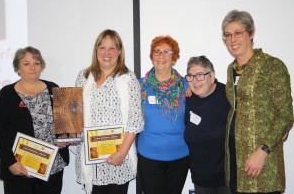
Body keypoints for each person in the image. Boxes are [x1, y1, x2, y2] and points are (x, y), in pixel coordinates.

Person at [221, 10, 294, 194]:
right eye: (228, 35)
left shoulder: (272, 65)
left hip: (263, 162)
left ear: (251, 33)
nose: (232, 39)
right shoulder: (231, 69)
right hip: (235, 159)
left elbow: (285, 115)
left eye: (238, 33)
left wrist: (263, 151)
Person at [74, 29, 144, 194]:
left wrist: (122, 153)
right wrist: (68, 134)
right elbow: (74, 114)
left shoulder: (128, 79)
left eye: (112, 48)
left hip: (118, 159)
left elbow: (135, 121)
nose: (107, 53)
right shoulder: (83, 77)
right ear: (96, 50)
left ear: (119, 51)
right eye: (102, 47)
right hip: (90, 160)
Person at [0, 46, 69, 194]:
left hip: (52, 167)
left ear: (41, 66)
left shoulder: (54, 88)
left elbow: (64, 124)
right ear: (18, 68)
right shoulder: (6, 94)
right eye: (26, 63)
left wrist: (64, 139)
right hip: (21, 167)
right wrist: (10, 162)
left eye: (36, 62)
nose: (32, 67)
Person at [137, 35, 189, 194]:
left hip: (180, 155)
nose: (161, 56)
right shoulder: (140, 86)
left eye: (167, 52)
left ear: (175, 58)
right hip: (149, 155)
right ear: (152, 56)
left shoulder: (186, 85)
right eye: (157, 52)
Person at [184, 56, 231, 194]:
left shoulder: (228, 95)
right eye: (191, 76)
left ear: (212, 76)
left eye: (200, 75)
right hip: (200, 179)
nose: (195, 81)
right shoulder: (188, 99)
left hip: (227, 181)